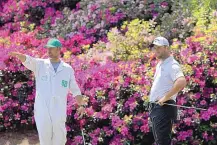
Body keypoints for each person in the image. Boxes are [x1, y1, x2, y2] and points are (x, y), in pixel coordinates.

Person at [9, 38, 87, 145]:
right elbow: (29, 60)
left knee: (59, 139)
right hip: (42, 109)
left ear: (59, 49)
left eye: (51, 49)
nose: (48, 51)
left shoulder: (67, 69)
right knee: (45, 139)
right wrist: (20, 56)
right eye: (47, 49)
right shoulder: (40, 64)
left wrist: (81, 105)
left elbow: (75, 89)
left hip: (58, 110)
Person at [149, 36, 187, 145]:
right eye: (154, 48)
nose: (155, 51)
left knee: (163, 141)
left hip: (164, 107)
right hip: (157, 108)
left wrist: (165, 98)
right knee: (160, 141)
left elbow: (181, 82)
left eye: (158, 48)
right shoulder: (161, 64)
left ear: (166, 48)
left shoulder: (172, 65)